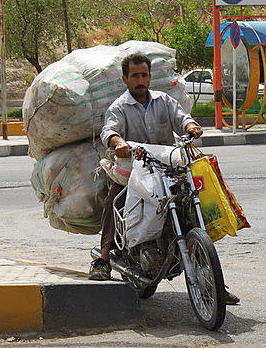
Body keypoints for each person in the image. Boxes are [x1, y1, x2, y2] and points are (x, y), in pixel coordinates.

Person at [90, 53, 240, 305]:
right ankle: (103, 258)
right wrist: (118, 143)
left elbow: (182, 118)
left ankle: (211, 279)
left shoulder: (164, 100)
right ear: (125, 79)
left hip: (167, 167)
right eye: (135, 76)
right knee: (114, 200)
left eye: (144, 75)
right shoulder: (119, 106)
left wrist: (191, 126)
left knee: (192, 210)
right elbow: (110, 131)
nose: (140, 80)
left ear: (149, 77)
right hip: (133, 170)